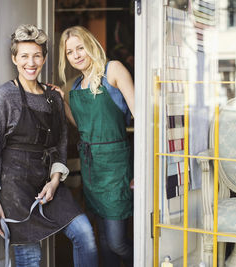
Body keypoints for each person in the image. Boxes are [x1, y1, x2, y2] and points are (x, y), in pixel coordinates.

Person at [0, 24, 98, 267]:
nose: (31, 62)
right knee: (31, 259)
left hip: (48, 184)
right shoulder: (5, 96)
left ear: (44, 58)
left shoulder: (54, 97)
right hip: (15, 189)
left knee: (84, 233)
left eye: (36, 55)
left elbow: (61, 143)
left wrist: (55, 181)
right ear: (15, 59)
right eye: (24, 56)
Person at [57, 25, 134, 267]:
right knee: (103, 240)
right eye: (70, 52)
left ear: (91, 45)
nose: (76, 55)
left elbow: (143, 119)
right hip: (92, 169)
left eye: (80, 48)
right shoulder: (76, 86)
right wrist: (63, 101)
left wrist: (141, 169)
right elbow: (81, 125)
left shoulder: (113, 70)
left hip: (116, 167)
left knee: (116, 242)